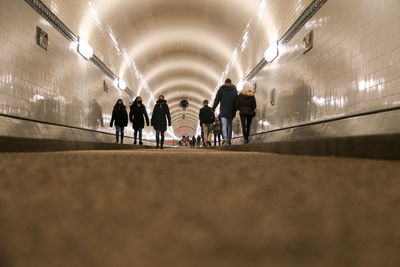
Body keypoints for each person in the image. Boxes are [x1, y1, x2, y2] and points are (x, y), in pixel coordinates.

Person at [212, 78, 238, 146]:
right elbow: (236, 101)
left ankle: (225, 140)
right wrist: (235, 109)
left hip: (223, 111)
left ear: (225, 83)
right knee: (230, 125)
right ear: (231, 82)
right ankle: (229, 140)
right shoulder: (234, 90)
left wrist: (213, 108)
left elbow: (216, 100)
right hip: (231, 111)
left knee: (224, 125)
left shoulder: (221, 90)